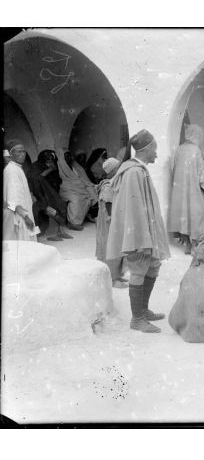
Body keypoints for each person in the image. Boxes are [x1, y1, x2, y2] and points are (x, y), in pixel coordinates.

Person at [106, 130, 170, 334]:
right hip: (139, 236)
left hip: (145, 234)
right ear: (147, 149)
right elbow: (133, 212)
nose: (157, 154)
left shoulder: (139, 170)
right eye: (155, 150)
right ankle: (137, 319)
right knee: (139, 270)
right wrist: (142, 241)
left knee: (153, 267)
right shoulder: (133, 172)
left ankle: (143, 310)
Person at [168, 124, 204, 254]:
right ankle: (195, 245)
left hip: (180, 190)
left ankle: (186, 243)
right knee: (196, 214)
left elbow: (174, 169)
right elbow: (202, 172)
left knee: (184, 215)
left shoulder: (179, 149)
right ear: (196, 135)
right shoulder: (196, 150)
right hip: (193, 189)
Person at [25, 150, 71, 241]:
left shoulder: (53, 167)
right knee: (44, 211)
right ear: (42, 161)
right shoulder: (35, 167)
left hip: (48, 194)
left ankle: (60, 232)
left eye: (51, 162)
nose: (50, 164)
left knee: (61, 206)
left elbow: (56, 181)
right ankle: (35, 236)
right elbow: (36, 180)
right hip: (36, 196)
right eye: (48, 162)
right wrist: (49, 170)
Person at [95, 157, 127, 288]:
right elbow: (108, 205)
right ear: (113, 171)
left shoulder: (115, 181)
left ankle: (117, 274)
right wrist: (112, 219)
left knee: (118, 247)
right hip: (110, 222)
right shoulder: (108, 185)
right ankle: (112, 279)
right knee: (111, 248)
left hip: (115, 220)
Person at [3, 139, 40, 241]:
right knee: (23, 245)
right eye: (19, 152)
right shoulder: (12, 171)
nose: (22, 154)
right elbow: (13, 200)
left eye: (24, 151)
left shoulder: (16, 168)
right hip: (20, 217)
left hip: (22, 214)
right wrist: (26, 217)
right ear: (11, 154)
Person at [56, 148, 98, 229]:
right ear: (62, 157)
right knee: (76, 199)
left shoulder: (74, 165)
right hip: (66, 188)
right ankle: (73, 222)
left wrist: (86, 184)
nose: (69, 157)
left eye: (69, 155)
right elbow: (60, 180)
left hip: (78, 186)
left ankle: (92, 215)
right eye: (66, 156)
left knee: (92, 191)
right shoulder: (59, 165)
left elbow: (82, 177)